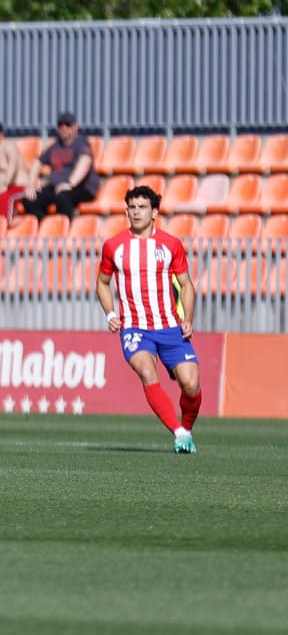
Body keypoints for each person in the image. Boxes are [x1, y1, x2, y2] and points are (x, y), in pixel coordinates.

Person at [95, 184, 201, 454]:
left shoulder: (170, 245)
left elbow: (186, 285)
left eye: (142, 207)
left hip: (170, 327)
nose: (136, 212)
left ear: (154, 212)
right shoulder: (114, 246)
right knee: (146, 370)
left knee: (191, 384)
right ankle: (177, 433)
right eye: (132, 207)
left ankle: (186, 429)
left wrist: (187, 318)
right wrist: (110, 313)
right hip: (135, 327)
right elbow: (102, 283)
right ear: (126, 211)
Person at [21, 111, 99, 219]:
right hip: (56, 188)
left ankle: (65, 229)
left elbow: (85, 161)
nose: (64, 128)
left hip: (81, 188)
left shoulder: (81, 142)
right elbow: (37, 162)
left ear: (75, 127)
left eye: (68, 125)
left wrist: (70, 184)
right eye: (60, 125)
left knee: (62, 197)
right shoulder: (55, 145)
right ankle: (46, 226)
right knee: (29, 199)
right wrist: (31, 185)